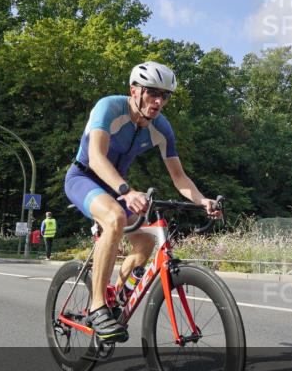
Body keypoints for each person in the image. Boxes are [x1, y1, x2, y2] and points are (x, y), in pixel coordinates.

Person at [64, 61, 221, 344]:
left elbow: (179, 176)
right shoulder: (109, 108)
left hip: (117, 186)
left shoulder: (161, 127)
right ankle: (97, 306)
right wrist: (126, 191)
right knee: (114, 217)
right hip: (83, 177)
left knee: (147, 240)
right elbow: (96, 158)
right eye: (153, 93)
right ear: (134, 90)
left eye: (165, 96)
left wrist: (202, 201)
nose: (159, 101)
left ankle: (117, 295)